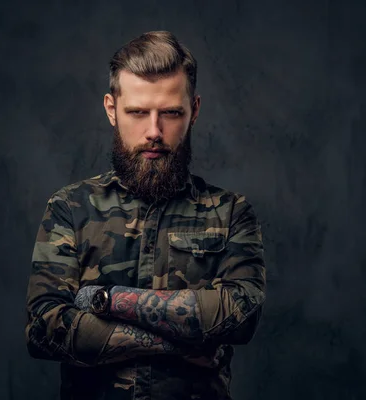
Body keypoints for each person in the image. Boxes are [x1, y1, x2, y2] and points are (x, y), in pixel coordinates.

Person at [25, 30, 266, 400]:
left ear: (194, 111)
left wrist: (109, 300)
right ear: (111, 109)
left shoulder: (232, 213)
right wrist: (181, 343)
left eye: (171, 113)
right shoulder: (69, 208)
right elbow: (44, 329)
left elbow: (241, 315)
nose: (154, 131)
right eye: (137, 112)